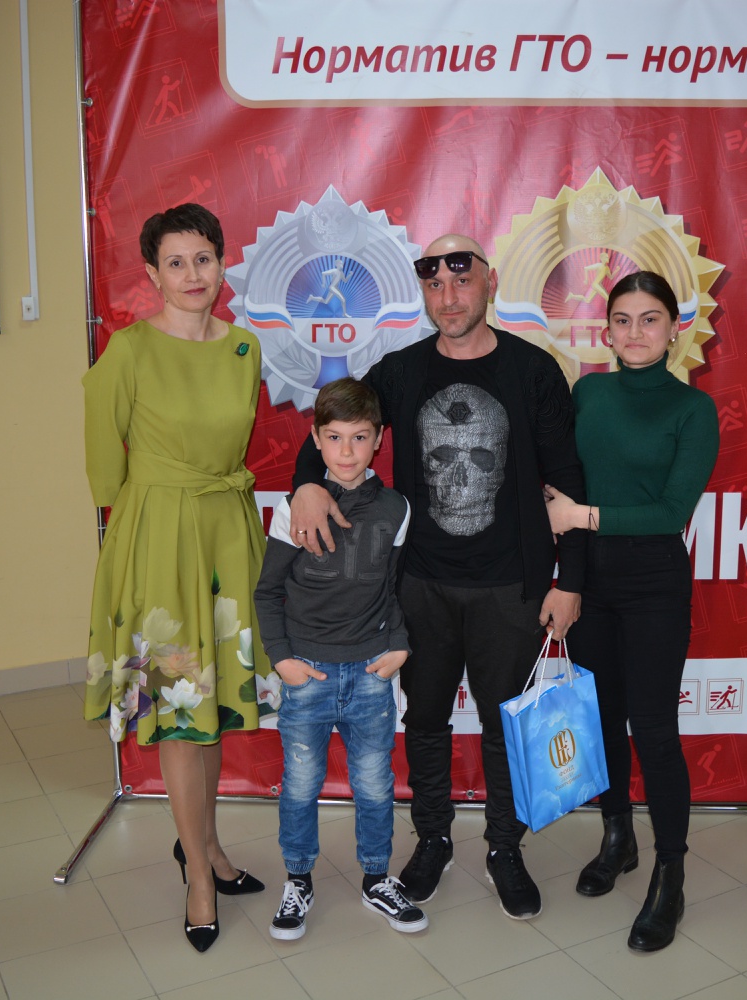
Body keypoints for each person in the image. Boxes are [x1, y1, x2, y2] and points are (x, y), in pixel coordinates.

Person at [289, 234, 587, 920]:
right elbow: (337, 427)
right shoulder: (400, 372)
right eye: (434, 285)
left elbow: (567, 476)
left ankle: (505, 847)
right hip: (419, 583)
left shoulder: (533, 371)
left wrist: (570, 579)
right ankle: (433, 840)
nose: (448, 297)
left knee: (505, 723)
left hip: (511, 584)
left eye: (462, 279)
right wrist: (306, 483)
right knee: (424, 718)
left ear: (491, 282)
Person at [81, 203, 268, 953]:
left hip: (227, 535)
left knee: (212, 705)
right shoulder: (127, 352)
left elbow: (234, 445)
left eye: (204, 259)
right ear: (152, 274)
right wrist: (145, 526)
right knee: (182, 712)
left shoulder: (245, 346)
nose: (193, 275)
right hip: (160, 540)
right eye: (176, 262)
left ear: (222, 264)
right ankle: (198, 879)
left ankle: (207, 846)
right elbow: (105, 468)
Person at [544, 270, 719, 952]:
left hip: (653, 586)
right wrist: (567, 575)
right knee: (600, 720)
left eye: (650, 319)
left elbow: (671, 512)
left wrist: (582, 516)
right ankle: (618, 836)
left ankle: (671, 874)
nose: (636, 332)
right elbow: (562, 481)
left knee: (653, 728)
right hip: (590, 585)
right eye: (623, 320)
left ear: (675, 329)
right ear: (607, 330)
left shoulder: (692, 409)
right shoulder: (589, 392)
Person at [254, 377, 427, 940]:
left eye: (359, 437)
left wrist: (398, 643)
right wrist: (282, 659)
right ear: (316, 439)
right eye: (334, 437)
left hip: (372, 673)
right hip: (308, 673)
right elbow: (267, 592)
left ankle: (376, 878)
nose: (347, 452)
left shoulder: (397, 509)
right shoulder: (292, 509)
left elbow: (393, 588)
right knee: (300, 783)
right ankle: (298, 880)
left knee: (375, 784)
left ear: (379, 439)